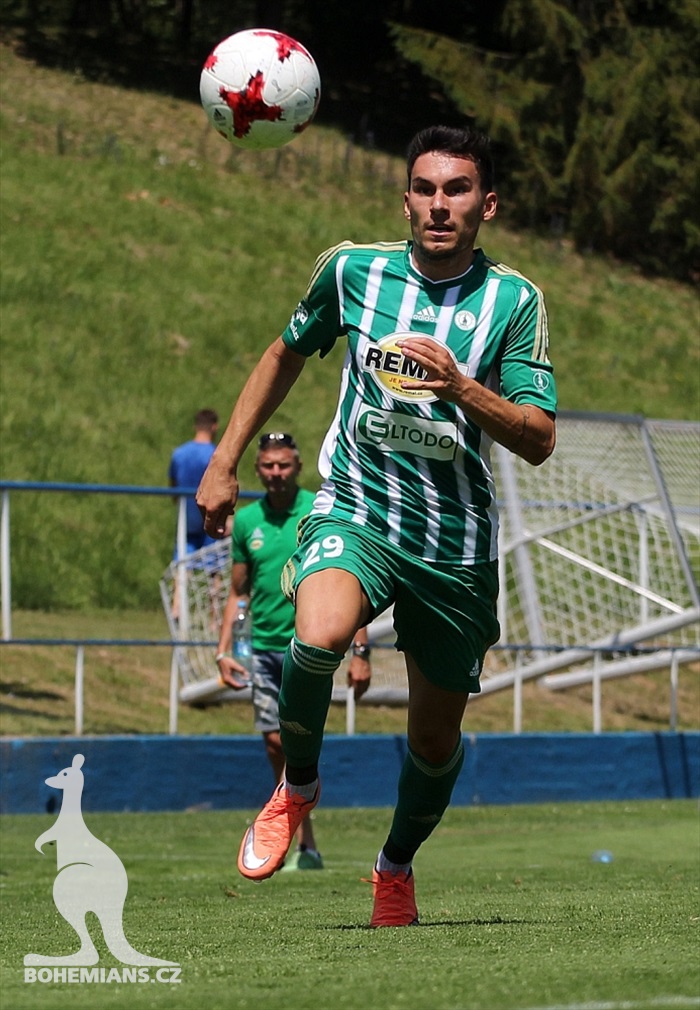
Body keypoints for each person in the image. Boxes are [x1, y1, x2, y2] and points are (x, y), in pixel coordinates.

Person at [196, 124, 557, 926]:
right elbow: (284, 352)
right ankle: (297, 786)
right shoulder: (352, 271)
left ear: (486, 204)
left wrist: (462, 388)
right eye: (425, 189)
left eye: (457, 190)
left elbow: (537, 438)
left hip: (454, 543)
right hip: (358, 508)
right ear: (405, 199)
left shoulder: (515, 302)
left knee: (432, 744)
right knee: (316, 637)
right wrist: (226, 460)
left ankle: (394, 867)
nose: (439, 205)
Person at [215, 431, 372, 871]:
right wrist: (225, 650)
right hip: (263, 647)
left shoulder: (320, 512)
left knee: (295, 742)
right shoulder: (246, 522)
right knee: (273, 742)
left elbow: (353, 583)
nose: (276, 473)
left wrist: (361, 650)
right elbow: (238, 593)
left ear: (298, 466)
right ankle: (296, 834)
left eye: (283, 465)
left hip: (308, 646)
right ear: (258, 469)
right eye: (268, 466)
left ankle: (302, 840)